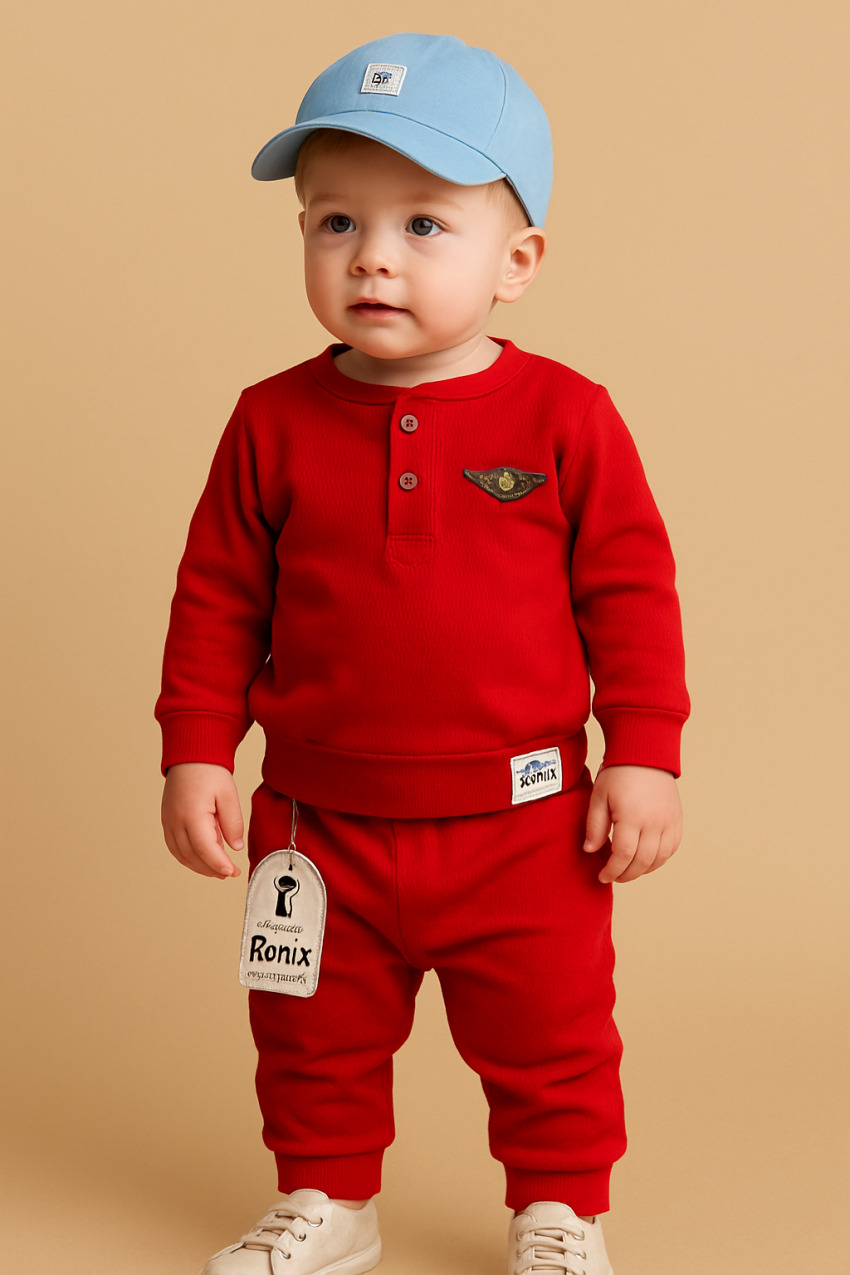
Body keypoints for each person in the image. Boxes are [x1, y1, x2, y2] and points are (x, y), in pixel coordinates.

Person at [156, 32, 689, 1275]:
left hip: (525, 823)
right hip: (317, 824)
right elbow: (216, 599)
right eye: (334, 221)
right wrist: (197, 752)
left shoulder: (565, 417)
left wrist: (643, 754)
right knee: (308, 1031)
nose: (373, 256)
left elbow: (630, 596)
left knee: (552, 1034)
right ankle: (327, 1198)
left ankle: (559, 1209)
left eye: (423, 224)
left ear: (517, 261)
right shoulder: (270, 421)